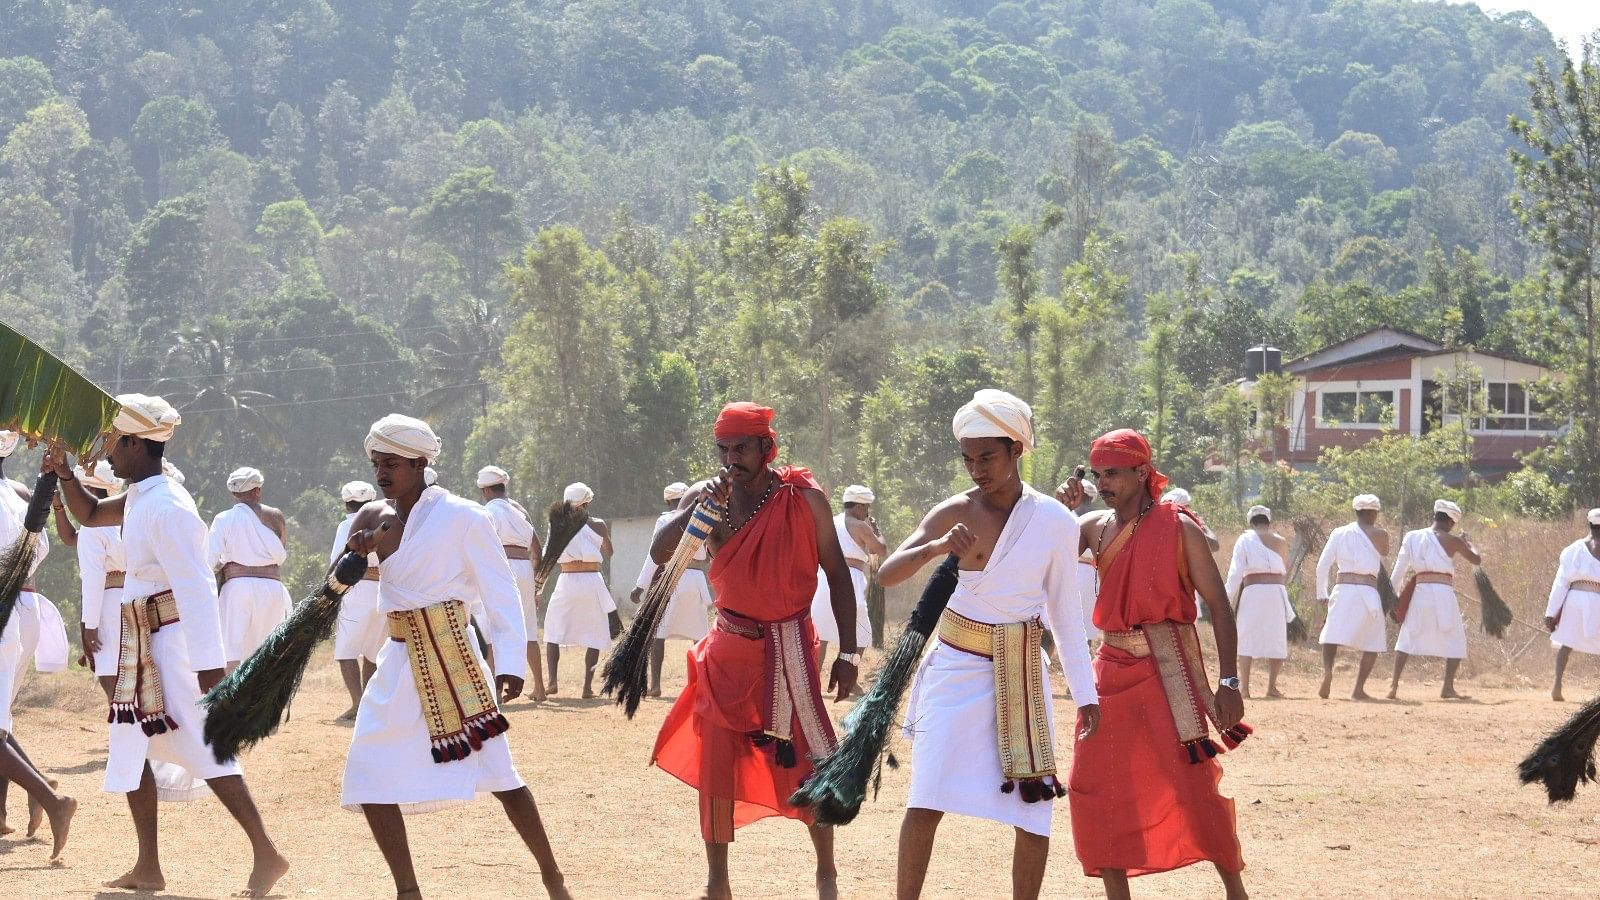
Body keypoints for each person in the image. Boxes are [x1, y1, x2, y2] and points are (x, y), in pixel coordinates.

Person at [46, 395, 288, 895]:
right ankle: (148, 867)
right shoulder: (141, 497)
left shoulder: (169, 507)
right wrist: (65, 475)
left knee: (205, 749)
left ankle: (266, 852)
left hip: (171, 648)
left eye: (113, 443)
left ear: (136, 444)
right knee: (131, 746)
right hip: (143, 644)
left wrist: (209, 668)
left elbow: (199, 590)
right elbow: (89, 515)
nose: (107, 453)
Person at [876, 389, 1099, 900]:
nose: (977, 469)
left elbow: (1066, 617)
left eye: (988, 457)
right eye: (968, 459)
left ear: (1017, 449)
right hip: (954, 670)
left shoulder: (1055, 521)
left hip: (1022, 674)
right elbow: (886, 575)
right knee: (925, 798)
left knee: (1033, 810)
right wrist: (936, 548)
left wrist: (1087, 698)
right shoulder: (954, 511)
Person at [340, 414, 569, 899]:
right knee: (367, 772)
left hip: (455, 658)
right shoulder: (368, 518)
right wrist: (357, 558)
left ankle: (553, 876)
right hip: (397, 660)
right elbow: (334, 587)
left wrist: (508, 661)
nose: (382, 472)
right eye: (377, 463)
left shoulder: (463, 516)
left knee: (503, 777)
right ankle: (408, 890)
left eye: (392, 463)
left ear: (421, 462)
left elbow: (500, 591)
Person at [649, 402, 858, 900]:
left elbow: (838, 573)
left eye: (740, 448)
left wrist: (848, 651)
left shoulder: (804, 499)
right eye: (723, 449)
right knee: (716, 763)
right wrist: (696, 513)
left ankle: (826, 873)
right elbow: (660, 551)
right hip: (728, 650)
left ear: (768, 448)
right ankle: (717, 881)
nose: (730, 458)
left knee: (808, 763)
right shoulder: (708, 496)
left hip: (790, 650)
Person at [1059, 428, 1247, 899]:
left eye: (1114, 474)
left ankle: (1234, 888)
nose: (1104, 483)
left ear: (1142, 471)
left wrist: (1229, 680)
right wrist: (1060, 509)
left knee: (1193, 782)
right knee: (1093, 784)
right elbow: (1031, 556)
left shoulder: (1179, 527)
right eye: (1098, 475)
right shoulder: (1090, 527)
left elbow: (1219, 606)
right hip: (1108, 670)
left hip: (1168, 674)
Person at [0, 430, 76, 858]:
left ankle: (53, 801)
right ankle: (12, 806)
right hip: (25, 608)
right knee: (1, 717)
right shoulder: (20, 491)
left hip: (4, 612)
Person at [1388, 499, 1479, 700]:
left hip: (1420, 592)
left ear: (1435, 516)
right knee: (1456, 638)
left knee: (1407, 637)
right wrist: (1469, 543)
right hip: (1443, 593)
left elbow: (1399, 569)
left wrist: (1393, 596)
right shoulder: (1453, 541)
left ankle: (1393, 685)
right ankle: (1447, 687)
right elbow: (1476, 560)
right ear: (1450, 522)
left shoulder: (1412, 536)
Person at [631, 481, 713, 698]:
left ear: (668, 501)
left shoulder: (665, 520)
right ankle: (702, 684)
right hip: (696, 579)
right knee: (699, 635)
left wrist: (640, 585)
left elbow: (653, 556)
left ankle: (656, 685)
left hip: (672, 577)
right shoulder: (704, 515)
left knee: (659, 632)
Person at [206, 467, 291, 672]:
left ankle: (228, 700)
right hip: (272, 589)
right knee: (268, 649)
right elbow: (281, 554)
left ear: (233, 493)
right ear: (257, 491)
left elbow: (209, 559)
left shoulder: (223, 519)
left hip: (236, 589)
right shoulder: (275, 516)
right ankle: (263, 700)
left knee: (231, 649)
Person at [54, 460, 126, 700]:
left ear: (90, 491)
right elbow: (71, 538)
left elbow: (94, 581)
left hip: (108, 602)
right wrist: (59, 508)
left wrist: (90, 627)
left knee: (109, 671)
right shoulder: (113, 523)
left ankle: (123, 726)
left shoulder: (94, 529)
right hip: (126, 598)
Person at [478, 465, 547, 703]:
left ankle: (494, 691)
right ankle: (539, 687)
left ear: (485, 490)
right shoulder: (520, 511)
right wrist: (535, 581)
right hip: (524, 568)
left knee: (493, 627)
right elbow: (537, 550)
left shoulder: (486, 511)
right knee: (528, 628)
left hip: (501, 568)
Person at [541, 483, 614, 699]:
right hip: (592, 580)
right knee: (595, 631)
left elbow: (549, 555)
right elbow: (609, 552)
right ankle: (587, 688)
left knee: (553, 629)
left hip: (567, 580)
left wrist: (539, 589)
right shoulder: (598, 524)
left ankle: (552, 682)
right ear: (586, 503)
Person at [1315, 494, 1390, 700]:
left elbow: (1323, 564)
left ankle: (1328, 671)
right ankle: (1358, 688)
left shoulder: (1339, 533)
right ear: (1373, 512)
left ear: (1356, 511)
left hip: (1343, 589)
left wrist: (1322, 592)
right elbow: (1385, 550)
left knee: (1331, 635)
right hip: (1368, 590)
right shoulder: (1380, 534)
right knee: (1373, 641)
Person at [811, 484, 887, 671]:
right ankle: (850, 675)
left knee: (820, 631)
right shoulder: (860, 526)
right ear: (859, 506)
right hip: (849, 580)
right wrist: (876, 531)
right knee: (861, 633)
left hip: (824, 577)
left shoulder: (830, 521)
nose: (867, 512)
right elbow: (881, 550)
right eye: (866, 507)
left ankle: (815, 678)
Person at [1223, 506, 1293, 699]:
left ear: (1251, 522)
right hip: (1277, 592)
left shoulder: (1245, 539)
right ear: (1268, 522)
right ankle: (1272, 686)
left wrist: (1226, 599)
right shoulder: (1281, 541)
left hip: (1253, 592)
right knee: (1277, 636)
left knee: (1246, 637)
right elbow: (1284, 569)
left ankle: (1245, 688)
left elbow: (1235, 573)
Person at [331, 481, 385, 720]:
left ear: (346, 503)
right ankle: (368, 703)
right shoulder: (386, 524)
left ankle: (357, 702)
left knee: (346, 650)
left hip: (356, 588)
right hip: (382, 590)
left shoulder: (347, 524)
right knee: (374, 651)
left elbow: (337, 560)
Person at [1544, 509, 1600, 702]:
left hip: (1574, 599)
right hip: (1597, 599)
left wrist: (1551, 613)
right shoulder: (1573, 550)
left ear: (1590, 525)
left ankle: (1557, 685)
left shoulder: (1573, 550)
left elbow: (1561, 583)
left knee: (1567, 643)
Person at [1072, 481, 1102, 642]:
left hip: (1073, 571)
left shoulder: (1068, 514)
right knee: (1086, 623)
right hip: (1093, 575)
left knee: (1061, 620)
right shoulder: (1100, 518)